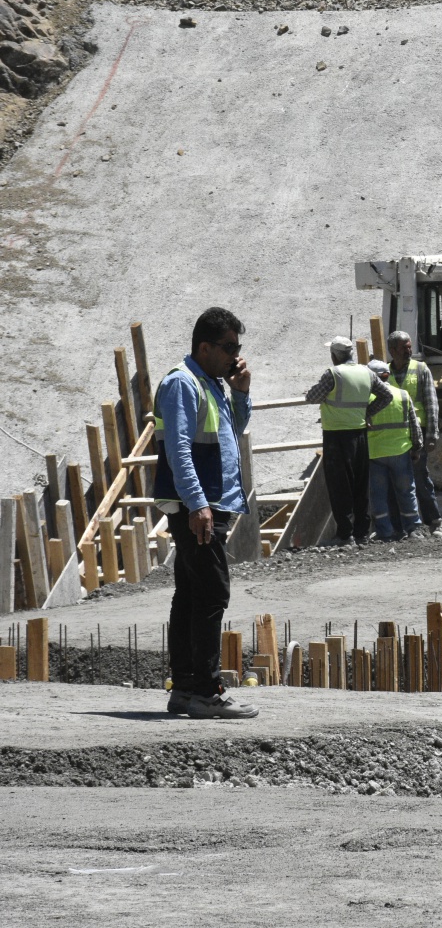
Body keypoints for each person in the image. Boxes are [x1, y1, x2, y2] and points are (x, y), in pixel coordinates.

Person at [153, 306, 259, 719]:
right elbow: (178, 450)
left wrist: (241, 392)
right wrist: (197, 503)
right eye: (229, 347)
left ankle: (184, 689)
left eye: (237, 347)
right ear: (205, 347)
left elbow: (234, 431)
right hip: (199, 506)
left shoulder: (211, 383)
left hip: (210, 502)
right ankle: (207, 691)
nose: (235, 355)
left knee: (192, 594)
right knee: (212, 592)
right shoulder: (182, 383)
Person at [305, 336, 393, 546]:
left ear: (334, 356)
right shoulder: (367, 372)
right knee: (360, 484)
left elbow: (312, 397)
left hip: (336, 436)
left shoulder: (333, 374)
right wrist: (366, 412)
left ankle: (345, 534)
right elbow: (386, 396)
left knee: (339, 486)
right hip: (359, 434)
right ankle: (361, 532)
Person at [387, 330, 442, 536]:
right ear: (393, 350)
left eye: (410, 347)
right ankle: (400, 526)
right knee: (395, 481)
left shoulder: (420, 369)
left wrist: (432, 434)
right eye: (404, 348)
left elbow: (431, 403)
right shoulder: (384, 373)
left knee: (420, 478)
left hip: (417, 433)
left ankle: (434, 521)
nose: (409, 351)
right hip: (393, 435)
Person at [364, 359, 426, 542]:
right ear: (387, 375)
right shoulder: (403, 395)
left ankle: (384, 531)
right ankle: (413, 528)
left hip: (375, 453)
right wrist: (417, 447)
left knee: (378, 494)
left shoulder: (365, 399)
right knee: (406, 491)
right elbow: (414, 425)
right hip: (400, 451)